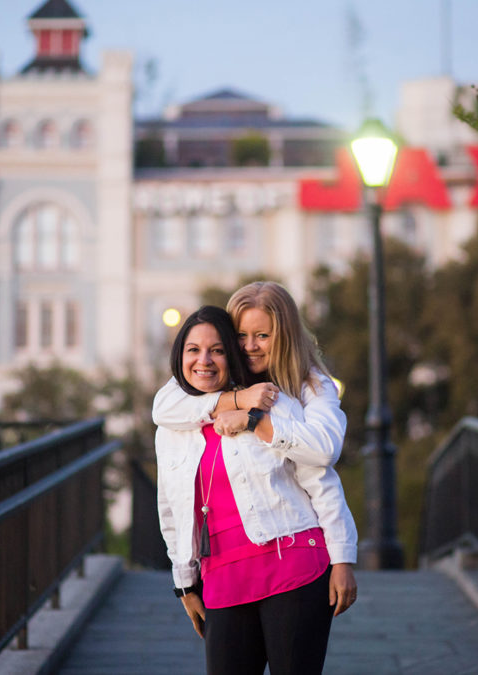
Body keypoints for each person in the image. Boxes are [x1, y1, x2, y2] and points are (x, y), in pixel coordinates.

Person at [154, 287, 357, 675]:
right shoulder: (176, 417)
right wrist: (184, 584)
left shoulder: (284, 398)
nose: (249, 346)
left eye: (262, 335)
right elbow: (170, 505)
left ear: (283, 337)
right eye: (241, 337)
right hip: (223, 578)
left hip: (293, 562)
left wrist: (343, 557)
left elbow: (320, 476)